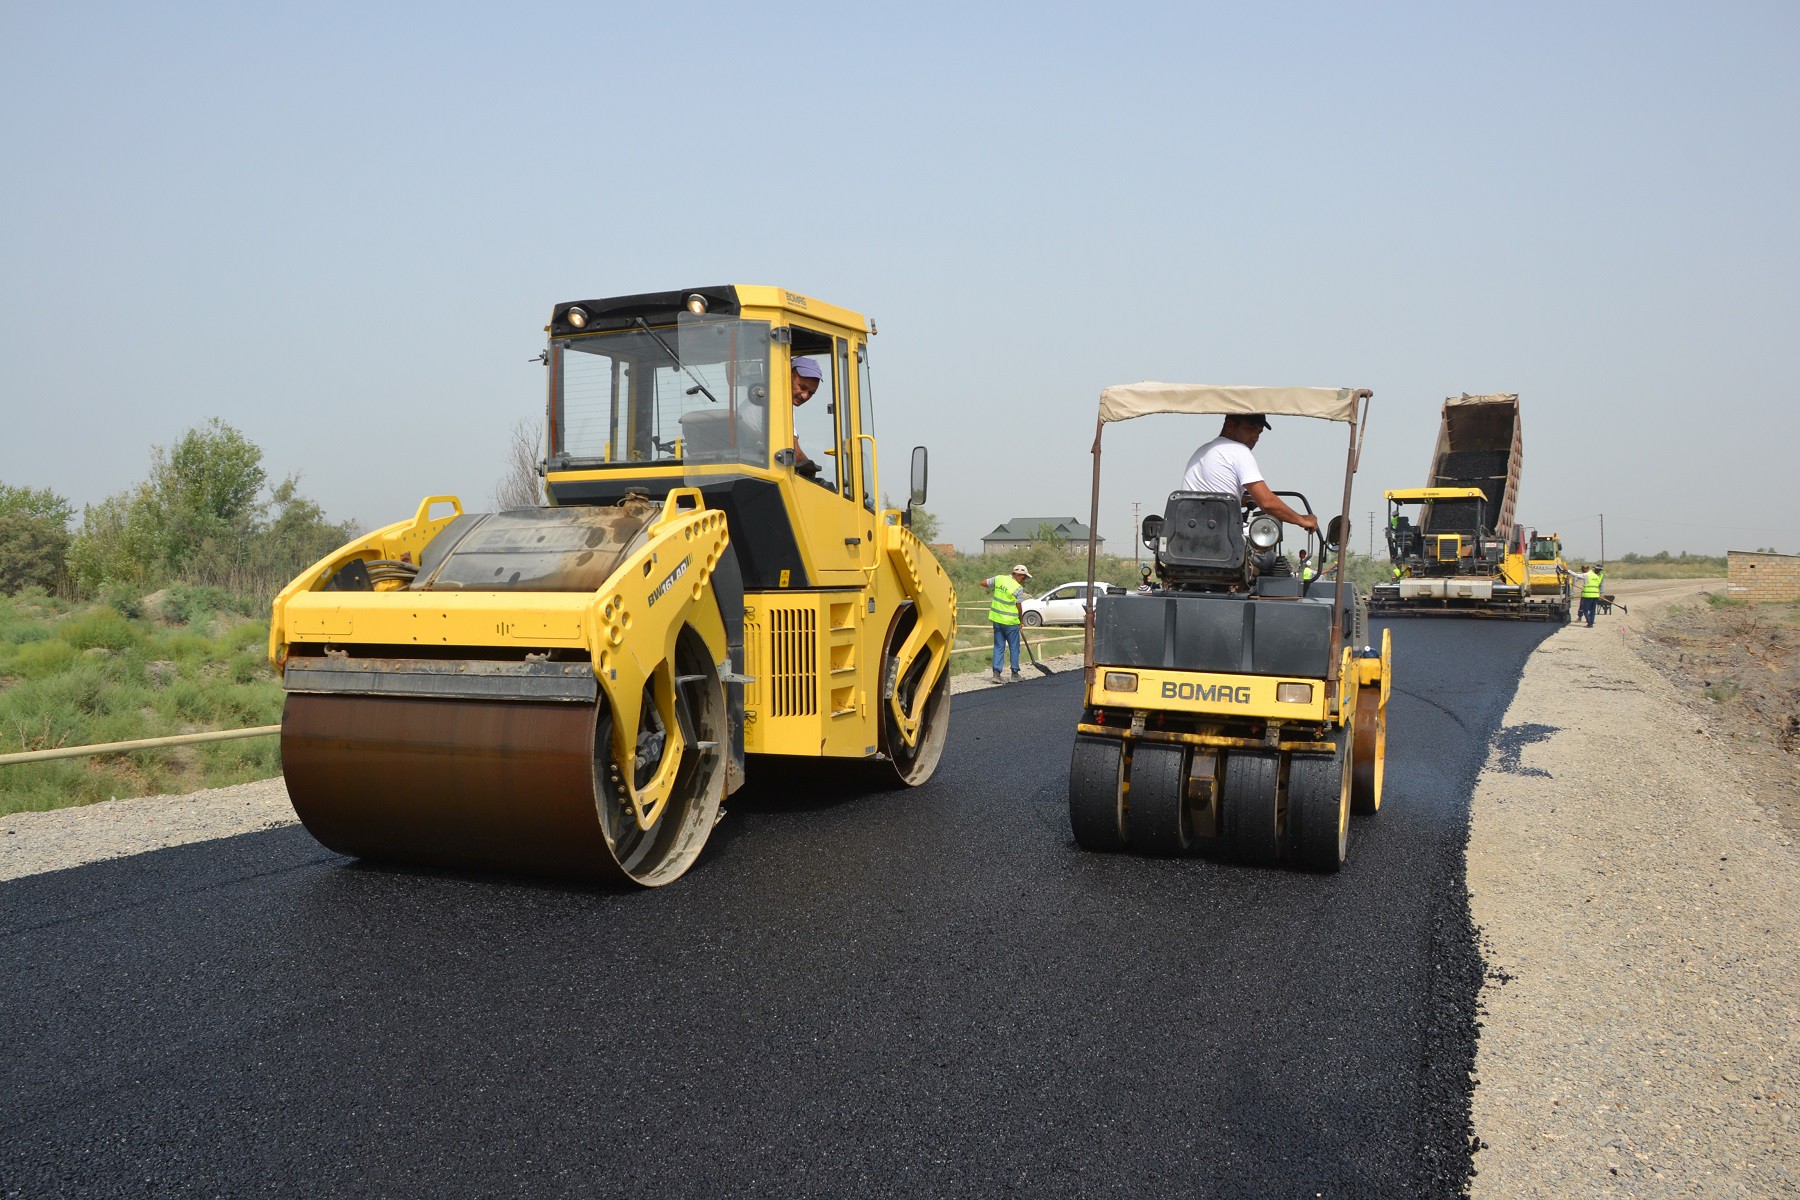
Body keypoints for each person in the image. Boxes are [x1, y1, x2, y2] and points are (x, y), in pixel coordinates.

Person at [1182, 414, 1319, 535]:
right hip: (1221, 540)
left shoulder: (1203, 450)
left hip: (1186, 533)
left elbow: (1209, 500)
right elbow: (1267, 503)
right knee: (1266, 554)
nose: (1256, 437)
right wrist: (1302, 520)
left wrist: (1246, 501)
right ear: (1230, 425)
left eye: (1259, 432)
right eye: (1250, 429)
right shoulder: (1238, 451)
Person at [980, 564, 1031, 682]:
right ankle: (1015, 674)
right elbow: (1019, 607)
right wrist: (1020, 621)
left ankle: (996, 674)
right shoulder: (1018, 588)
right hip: (1010, 622)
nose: (1024, 580)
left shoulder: (999, 579)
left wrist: (998, 589)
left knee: (998, 646)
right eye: (1024, 578)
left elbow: (983, 583)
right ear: (1018, 575)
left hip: (997, 620)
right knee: (1014, 647)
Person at [790, 357, 827, 482]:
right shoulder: (776, 406)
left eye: (811, 393)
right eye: (802, 387)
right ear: (789, 376)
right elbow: (794, 453)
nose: (805, 396)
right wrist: (810, 468)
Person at [1579, 563, 1605, 627]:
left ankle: (1590, 622)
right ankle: (1590, 622)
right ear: (1595, 568)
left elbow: (1601, 585)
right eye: (1598, 569)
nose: (1599, 571)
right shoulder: (1589, 574)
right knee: (1586, 610)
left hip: (1593, 596)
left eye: (1600, 570)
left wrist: (1602, 594)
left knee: (1591, 610)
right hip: (1588, 595)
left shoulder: (1600, 575)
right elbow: (1579, 576)